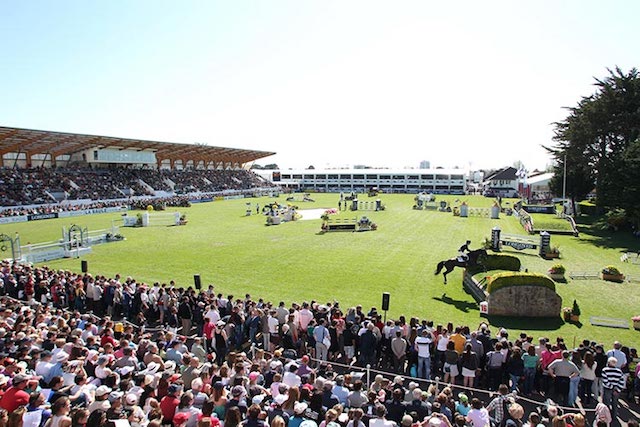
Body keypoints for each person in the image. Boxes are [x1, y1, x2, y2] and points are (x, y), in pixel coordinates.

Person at [601, 356, 625, 421]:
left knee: (606, 403)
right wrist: (617, 389)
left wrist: (611, 387)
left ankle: (606, 416)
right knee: (615, 403)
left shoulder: (605, 370)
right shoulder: (619, 371)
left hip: (607, 389)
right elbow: (622, 381)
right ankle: (614, 416)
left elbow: (605, 381)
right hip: (616, 389)